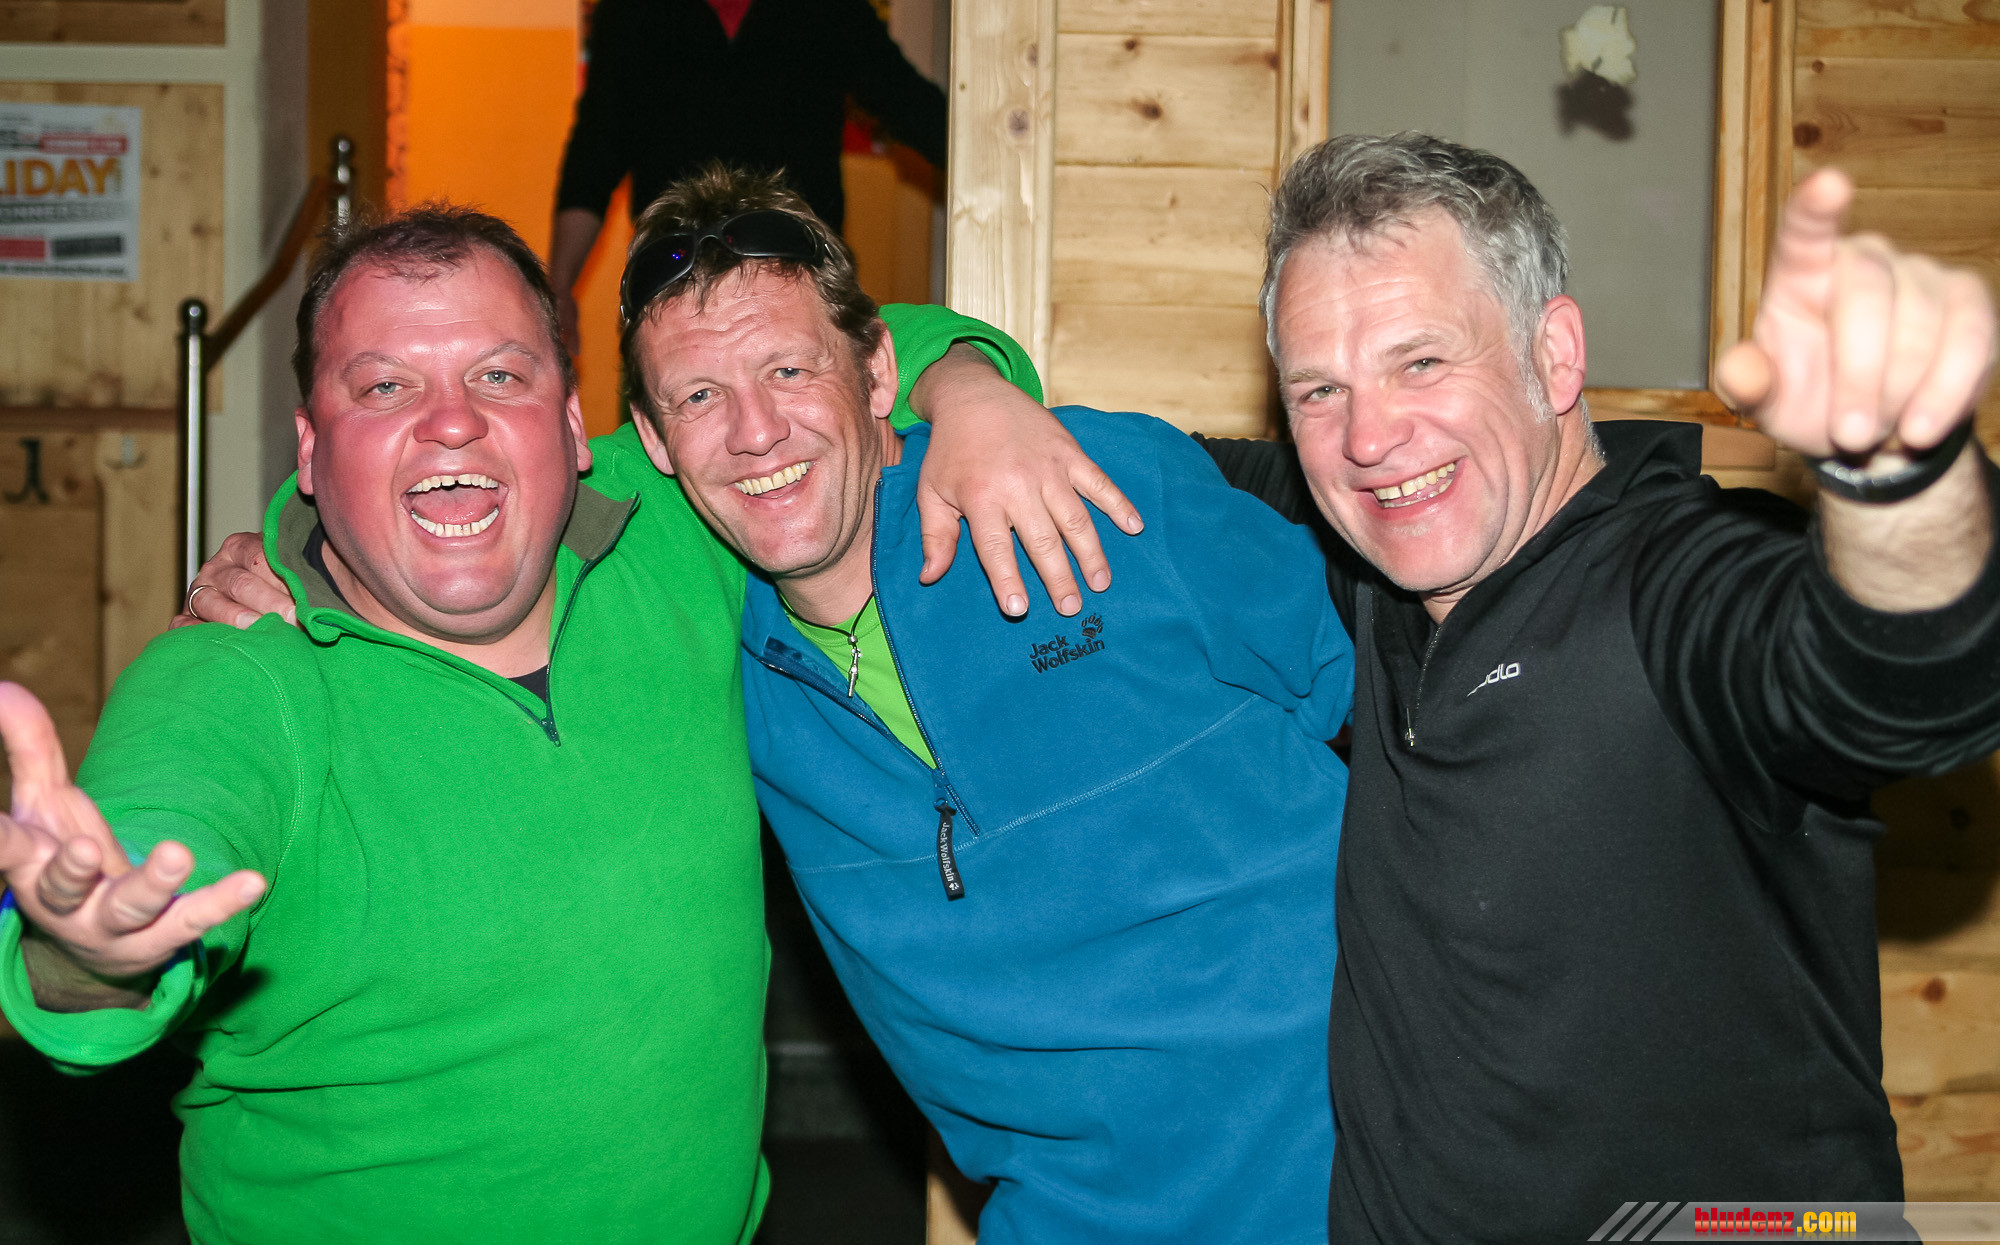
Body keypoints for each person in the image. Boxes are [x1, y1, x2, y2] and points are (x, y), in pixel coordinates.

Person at [0, 205, 1118, 1243]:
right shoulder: (231, 678)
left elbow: (830, 347)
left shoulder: (676, 521)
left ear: (576, 425)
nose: (450, 420)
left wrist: (972, 390)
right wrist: (85, 948)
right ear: (308, 449)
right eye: (383, 386)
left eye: (499, 374)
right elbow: (133, 878)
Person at [1202, 132, 2000, 1241]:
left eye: (1420, 362)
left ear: (1555, 354)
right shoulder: (1368, 551)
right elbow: (1134, 466)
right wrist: (973, 385)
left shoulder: (1676, 580)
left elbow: (1909, 677)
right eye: (1319, 390)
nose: (1369, 436)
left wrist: (1900, 478)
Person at [613, 167, 1353, 1244]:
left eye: (788, 369)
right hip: (1073, 1219)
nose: (755, 430)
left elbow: (1403, 705)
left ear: (878, 372)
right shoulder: (714, 663)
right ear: (654, 441)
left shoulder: (1094, 484)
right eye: (698, 397)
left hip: (1376, 1163)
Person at [550, 0, 947, 349]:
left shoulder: (826, 2)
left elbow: (912, 107)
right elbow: (593, 157)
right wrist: (560, 286)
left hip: (800, 281)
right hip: (672, 285)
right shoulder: (631, 10)